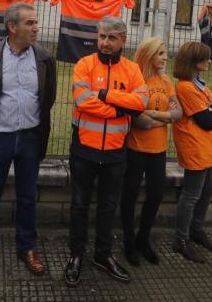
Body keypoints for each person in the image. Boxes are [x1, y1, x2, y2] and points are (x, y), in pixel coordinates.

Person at [0, 3, 57, 278]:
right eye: (30, 23)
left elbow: (48, 98)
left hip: (30, 138)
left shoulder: (45, 58)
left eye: (36, 22)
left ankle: (27, 247)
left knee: (28, 197)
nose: (36, 28)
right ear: (12, 27)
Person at [64, 17, 148, 286]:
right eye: (101, 36)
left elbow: (142, 101)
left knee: (108, 208)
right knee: (79, 206)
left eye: (111, 38)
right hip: (83, 150)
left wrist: (104, 94)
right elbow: (82, 101)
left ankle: (103, 255)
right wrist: (120, 108)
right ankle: (76, 254)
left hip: (115, 153)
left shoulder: (133, 70)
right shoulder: (84, 64)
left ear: (123, 39)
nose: (105, 42)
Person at [120, 37, 181, 266]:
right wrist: (163, 118)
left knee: (156, 194)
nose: (165, 58)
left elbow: (178, 114)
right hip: (135, 149)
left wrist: (154, 115)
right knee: (129, 195)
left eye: (165, 53)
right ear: (148, 55)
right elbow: (139, 122)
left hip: (158, 150)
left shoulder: (166, 80)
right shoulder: (135, 80)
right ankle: (128, 240)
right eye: (161, 53)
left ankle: (143, 239)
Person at [171, 41, 212, 263]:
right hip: (195, 147)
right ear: (194, 61)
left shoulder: (199, 84)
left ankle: (197, 230)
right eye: (206, 58)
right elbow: (208, 120)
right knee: (192, 195)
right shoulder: (185, 87)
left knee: (207, 190)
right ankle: (181, 239)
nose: (210, 61)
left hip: (207, 148)